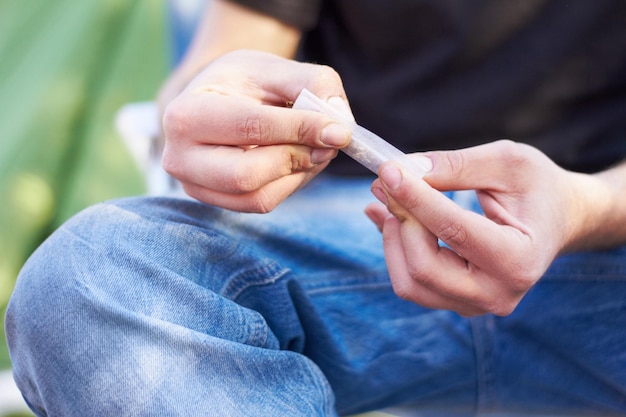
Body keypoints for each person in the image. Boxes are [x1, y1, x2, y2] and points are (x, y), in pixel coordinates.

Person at [6, 0, 626, 415]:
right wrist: (210, 107)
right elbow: (222, 60)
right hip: (349, 245)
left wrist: (587, 206)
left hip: (604, 244)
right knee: (91, 275)